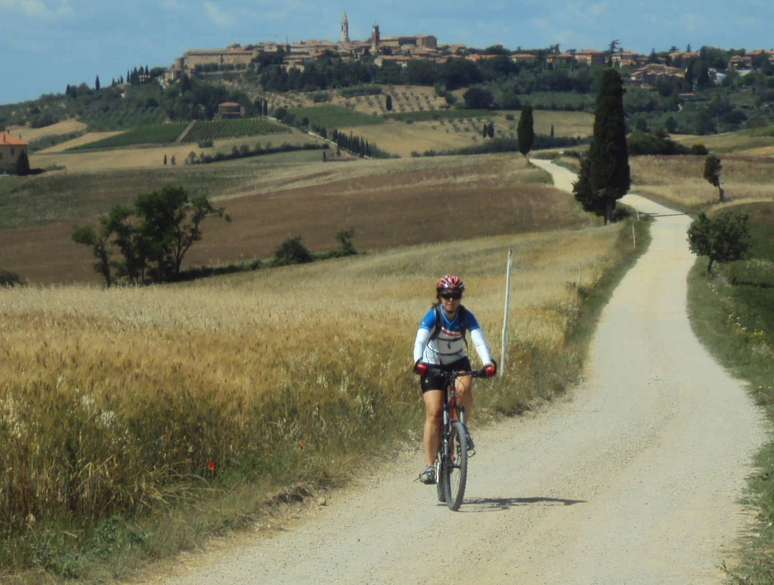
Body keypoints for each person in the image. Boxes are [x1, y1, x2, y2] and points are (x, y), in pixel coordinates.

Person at [413, 274, 496, 484]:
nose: (451, 300)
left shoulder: (466, 316)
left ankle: (462, 429)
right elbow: (421, 339)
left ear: (461, 297)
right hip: (432, 364)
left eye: (456, 295)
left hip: (458, 362)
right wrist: (418, 361)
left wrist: (487, 363)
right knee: (433, 412)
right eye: (447, 295)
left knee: (464, 389)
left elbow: (478, 340)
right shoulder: (434, 316)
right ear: (440, 296)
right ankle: (430, 467)